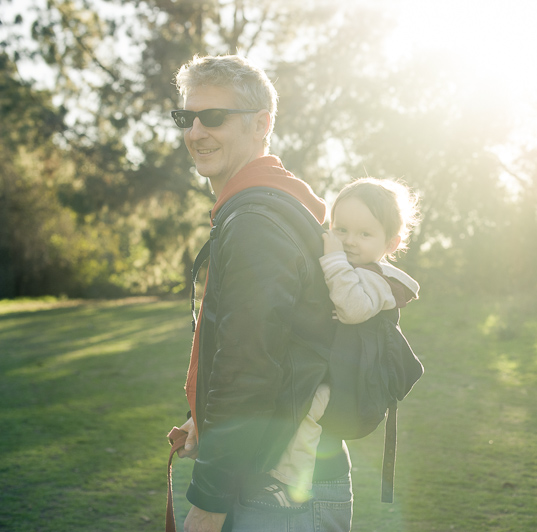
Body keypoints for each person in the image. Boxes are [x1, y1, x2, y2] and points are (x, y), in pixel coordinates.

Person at [171, 54, 351, 532]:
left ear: (262, 124)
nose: (195, 133)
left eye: (213, 117)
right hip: (284, 469)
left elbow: (248, 368)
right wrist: (201, 419)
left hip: (277, 486)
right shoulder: (273, 202)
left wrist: (209, 502)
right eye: (186, 118)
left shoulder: (254, 222)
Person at [265, 178, 421, 506]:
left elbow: (352, 308)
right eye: (342, 230)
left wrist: (333, 260)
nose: (350, 241)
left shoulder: (380, 281)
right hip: (335, 364)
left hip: (353, 381)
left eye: (365, 234)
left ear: (391, 243)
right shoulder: (352, 265)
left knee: (309, 403)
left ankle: (291, 479)